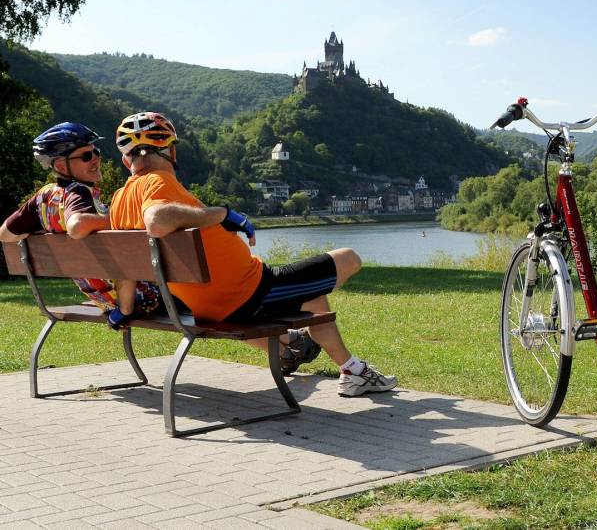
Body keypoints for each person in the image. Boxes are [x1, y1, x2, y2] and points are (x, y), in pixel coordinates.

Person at [107, 112, 395, 396]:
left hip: (207, 306)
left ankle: (336, 364)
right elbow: (156, 220)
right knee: (349, 258)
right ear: (171, 150)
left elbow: (126, 265)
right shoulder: (157, 181)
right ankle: (352, 371)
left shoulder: (119, 201)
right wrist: (223, 214)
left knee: (313, 294)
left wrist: (125, 310)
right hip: (251, 292)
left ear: (125, 159)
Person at [0, 122, 161, 325]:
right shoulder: (78, 192)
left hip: (103, 299)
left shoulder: (41, 198)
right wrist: (122, 218)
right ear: (59, 165)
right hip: (142, 299)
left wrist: (48, 229)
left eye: (96, 152)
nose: (96, 159)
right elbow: (77, 225)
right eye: (86, 156)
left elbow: (5, 234)